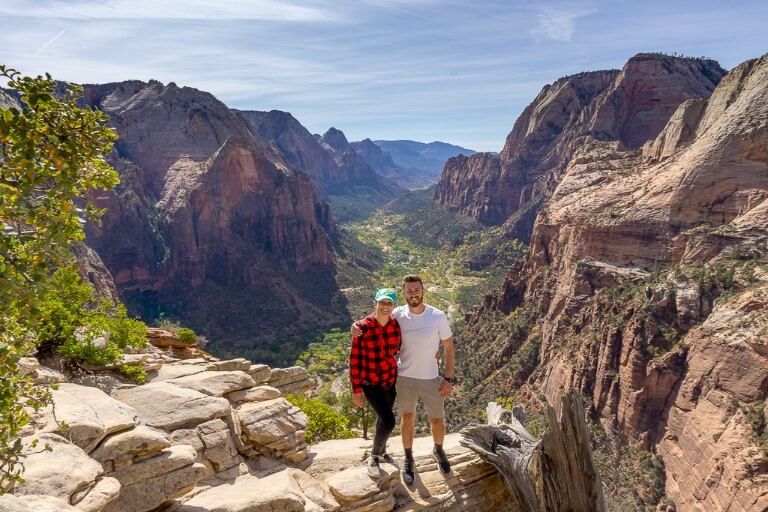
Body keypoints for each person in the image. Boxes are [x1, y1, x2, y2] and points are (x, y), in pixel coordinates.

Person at [352, 275, 455, 485]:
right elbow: (375, 318)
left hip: (430, 378)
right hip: (403, 378)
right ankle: (408, 459)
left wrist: (448, 378)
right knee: (405, 418)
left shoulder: (437, 315)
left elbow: (449, 347)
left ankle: (438, 451)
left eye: (417, 290)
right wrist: (354, 326)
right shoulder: (398, 313)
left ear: (423, 291)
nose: (413, 294)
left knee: (437, 420)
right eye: (409, 291)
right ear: (405, 294)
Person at [349, 287, 402, 478]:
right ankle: (374, 456)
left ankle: (383, 450)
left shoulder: (396, 325)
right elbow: (354, 360)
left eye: (389, 303)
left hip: (389, 379)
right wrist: (356, 390)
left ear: (393, 306)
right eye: (382, 302)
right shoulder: (362, 327)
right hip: (370, 382)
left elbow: (404, 347)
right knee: (389, 420)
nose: (385, 306)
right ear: (375, 303)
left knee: (383, 418)